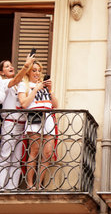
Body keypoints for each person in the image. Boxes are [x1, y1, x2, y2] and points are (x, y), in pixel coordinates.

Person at [18, 61, 58, 190]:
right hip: (34, 116)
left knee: (47, 153)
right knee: (34, 151)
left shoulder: (44, 86)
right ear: (28, 71)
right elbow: (24, 104)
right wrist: (35, 89)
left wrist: (50, 90)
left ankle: (38, 184)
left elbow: (55, 105)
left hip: (48, 118)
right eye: (34, 70)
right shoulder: (23, 85)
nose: (37, 73)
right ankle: (30, 184)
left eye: (39, 70)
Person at [0, 54, 35, 190]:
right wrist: (26, 65)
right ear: (2, 72)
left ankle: (12, 187)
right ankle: (1, 187)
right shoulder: (3, 83)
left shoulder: (22, 84)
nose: (11, 67)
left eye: (11, 65)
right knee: (5, 155)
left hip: (21, 125)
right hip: (10, 122)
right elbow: (16, 79)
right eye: (7, 66)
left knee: (17, 158)